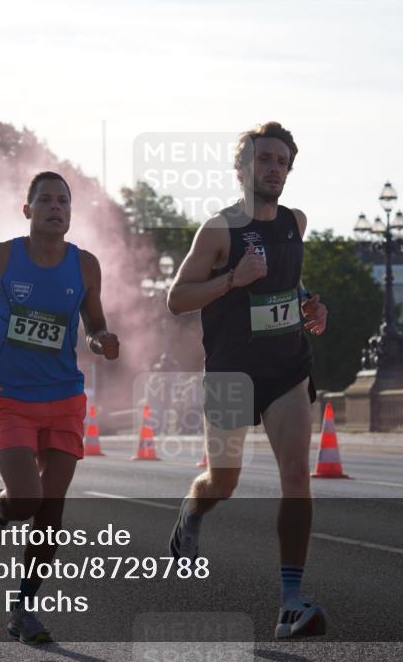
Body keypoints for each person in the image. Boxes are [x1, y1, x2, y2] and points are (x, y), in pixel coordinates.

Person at [165, 122, 329, 639]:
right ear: (242, 168)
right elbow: (177, 298)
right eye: (264, 159)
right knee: (224, 482)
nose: (273, 168)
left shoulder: (295, 222)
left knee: (297, 477)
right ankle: (194, 507)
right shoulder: (219, 230)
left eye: (282, 160)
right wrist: (232, 280)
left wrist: (310, 307)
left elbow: (290, 282)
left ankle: (290, 603)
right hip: (232, 372)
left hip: (287, 369)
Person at [0, 171, 119, 645]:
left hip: (65, 398)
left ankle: (22, 610)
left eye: (63, 201)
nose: (55, 207)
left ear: (70, 211)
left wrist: (101, 339)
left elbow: (94, 322)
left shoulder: (85, 265)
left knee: (51, 510)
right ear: (27, 211)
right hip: (12, 398)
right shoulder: (2, 257)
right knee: (25, 499)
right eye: (44, 200)